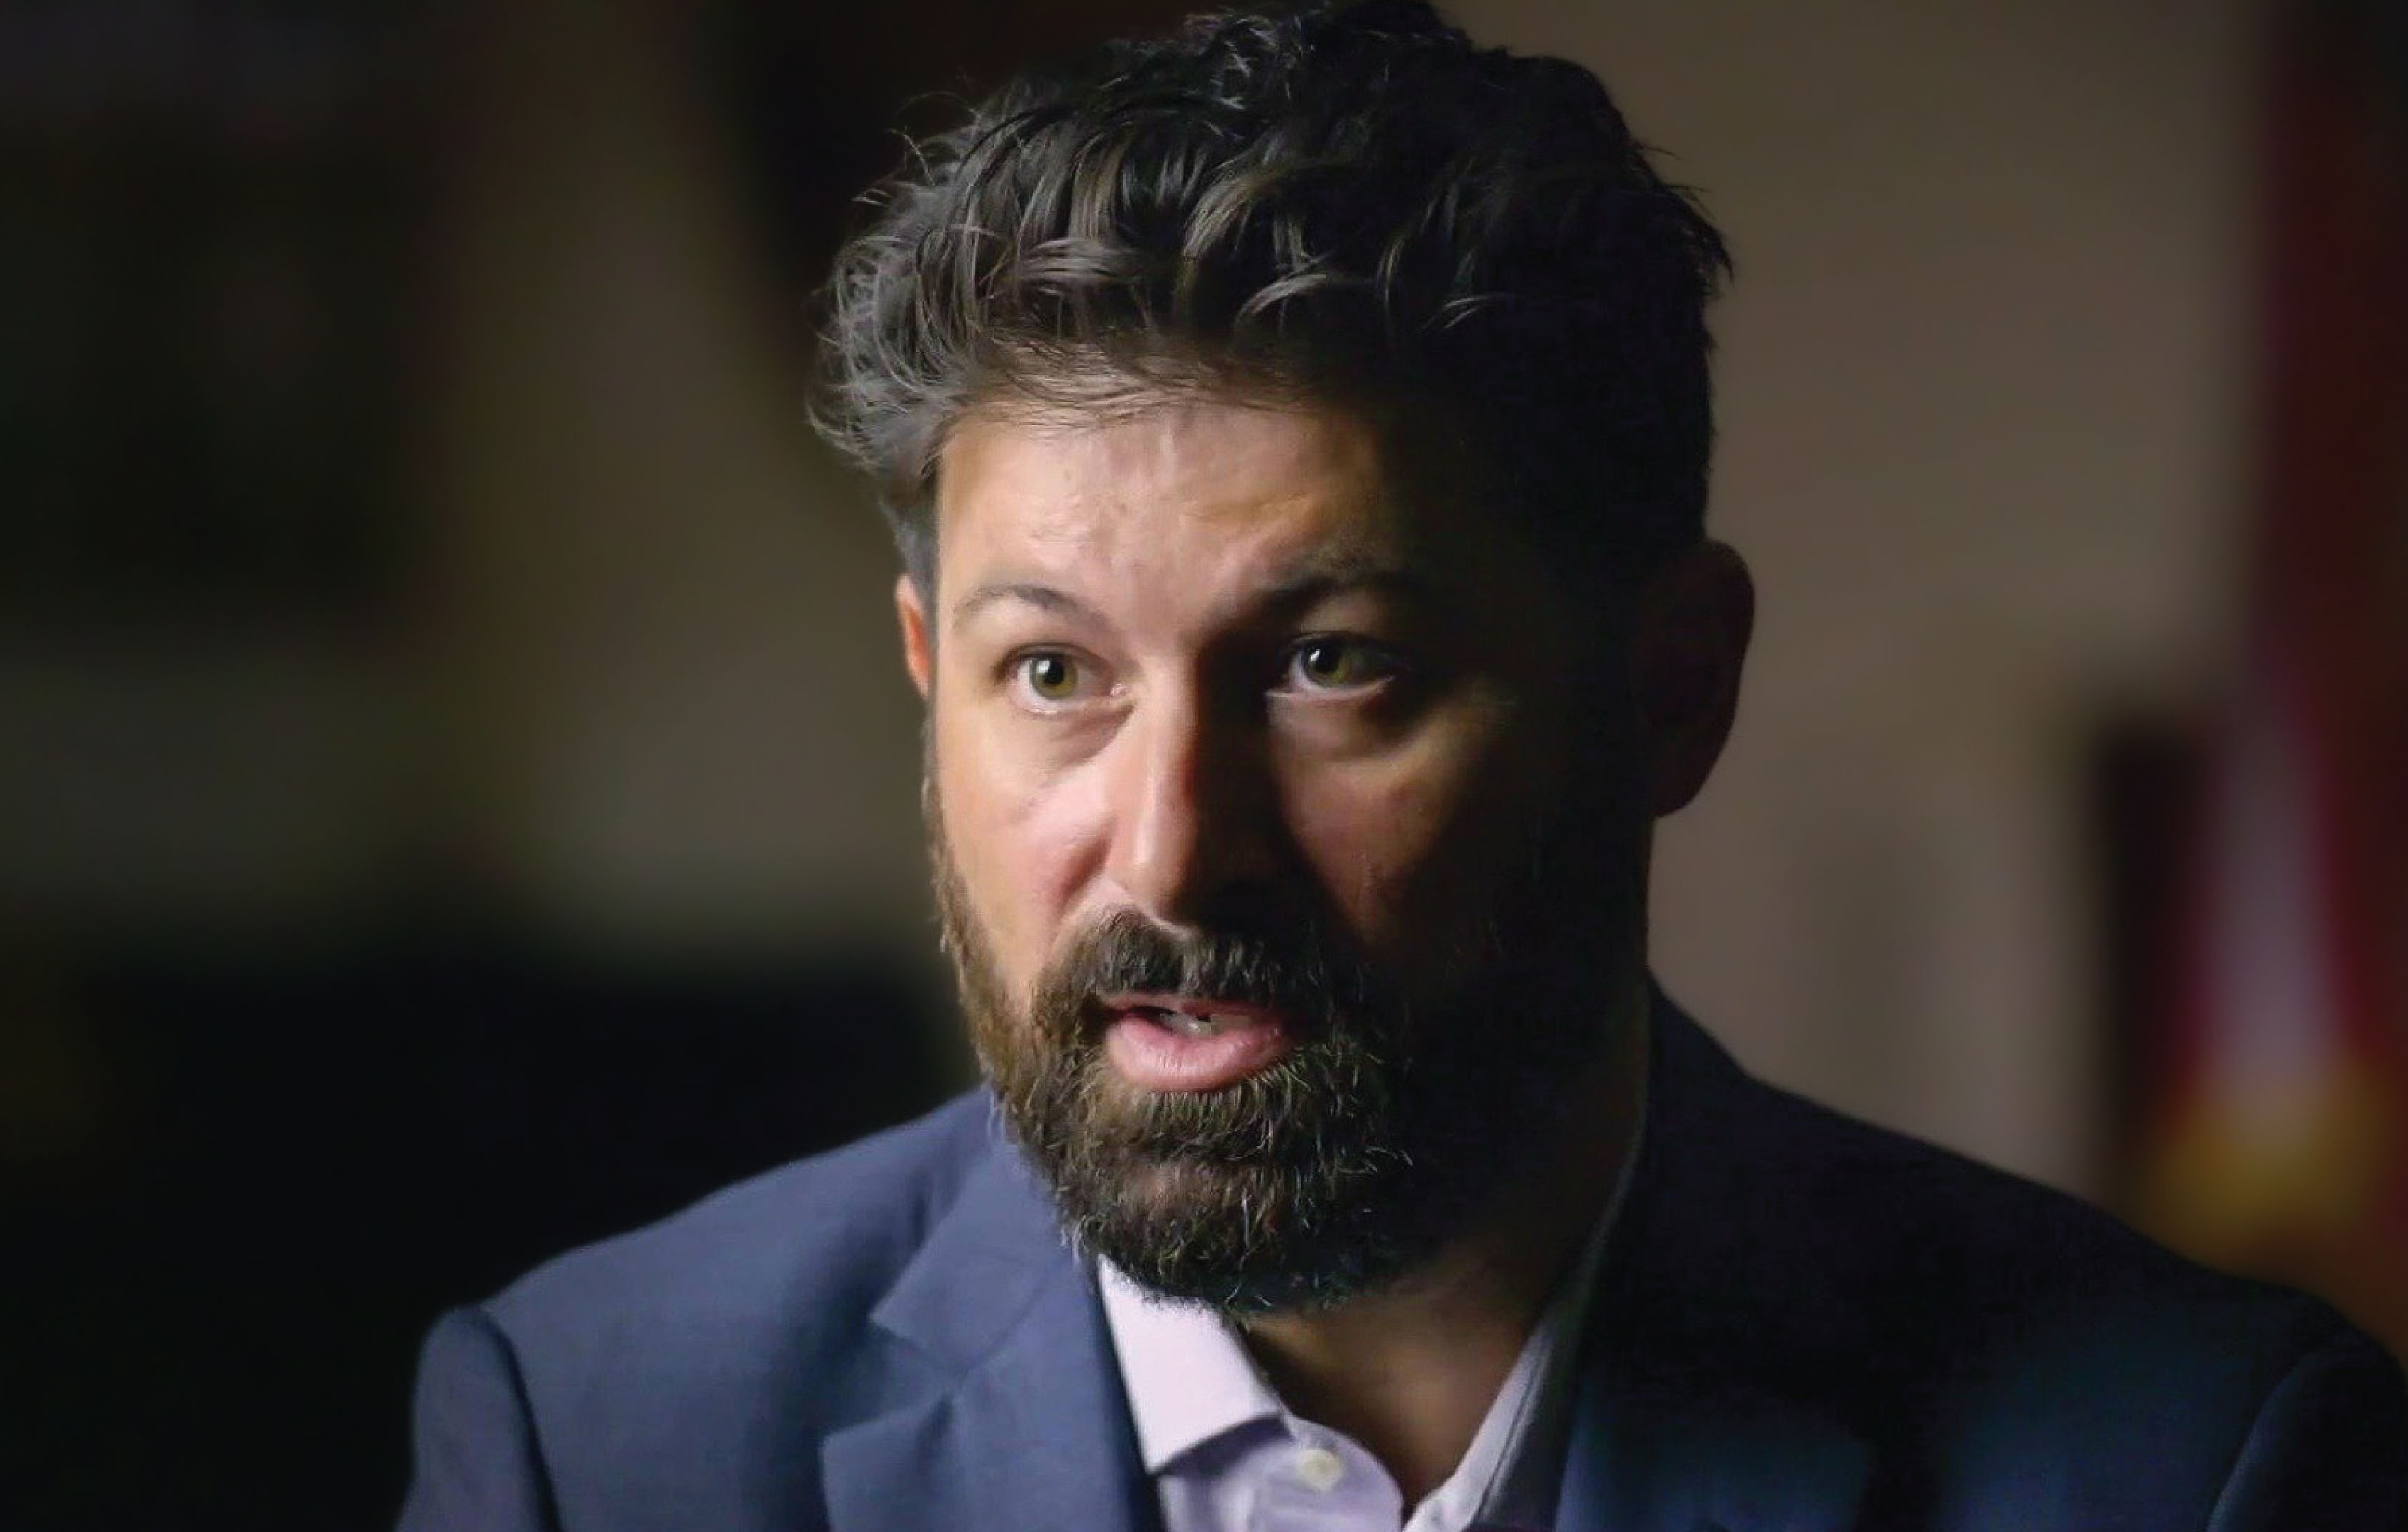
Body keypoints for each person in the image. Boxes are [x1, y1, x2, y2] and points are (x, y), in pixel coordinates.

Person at [395, 4, 2407, 1528]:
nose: (1171, 852)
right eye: (1054, 674)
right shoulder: (599, 1439)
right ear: (931, 682)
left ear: (1672, 689)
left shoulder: (2190, 1468)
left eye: (1330, 666)